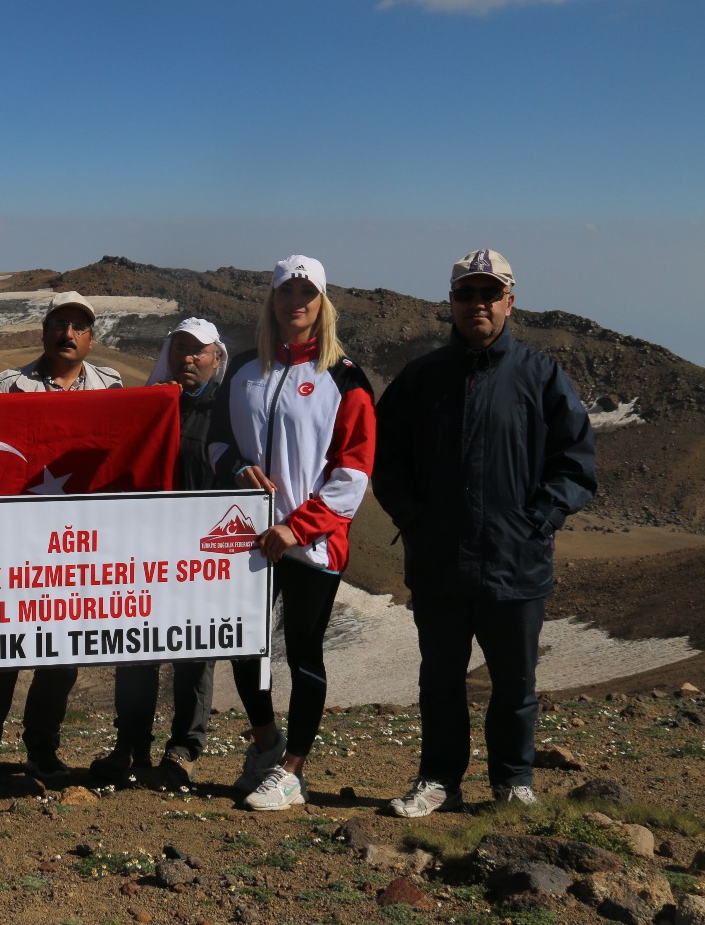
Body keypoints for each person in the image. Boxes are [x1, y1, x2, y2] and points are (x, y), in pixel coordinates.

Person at [375, 249, 595, 816]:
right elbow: (387, 458)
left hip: (516, 564)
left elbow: (575, 462)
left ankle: (513, 780)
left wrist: (538, 521)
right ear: (450, 302)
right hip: (440, 562)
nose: (478, 304)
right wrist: (415, 520)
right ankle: (439, 781)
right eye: (467, 293)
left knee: (514, 683)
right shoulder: (421, 379)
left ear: (510, 302)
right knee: (440, 680)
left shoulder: (541, 375)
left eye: (489, 294)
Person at [208, 256, 375, 811]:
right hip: (249, 540)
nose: (295, 301)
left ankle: (293, 772)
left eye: (307, 292)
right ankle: (265, 744)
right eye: (286, 291)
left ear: (322, 302)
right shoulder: (245, 371)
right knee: (243, 647)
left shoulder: (344, 376)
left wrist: (295, 527)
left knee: (303, 654)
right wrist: (235, 468)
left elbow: (353, 473)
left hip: (311, 543)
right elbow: (216, 441)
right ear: (272, 300)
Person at [0, 291, 123, 781]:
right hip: (14, 546)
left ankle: (42, 750)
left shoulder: (113, 387)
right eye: (59, 324)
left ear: (91, 337)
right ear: (44, 330)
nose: (68, 334)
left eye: (78, 327)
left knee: (62, 659)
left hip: (76, 549)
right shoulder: (8, 385)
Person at [89, 317, 228, 788]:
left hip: (201, 557)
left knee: (196, 654)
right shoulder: (149, 408)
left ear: (216, 357)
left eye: (198, 351)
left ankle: (184, 750)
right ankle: (130, 745)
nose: (188, 358)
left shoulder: (226, 414)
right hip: (144, 554)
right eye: (180, 349)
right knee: (136, 653)